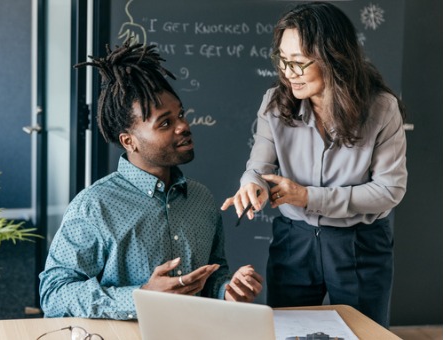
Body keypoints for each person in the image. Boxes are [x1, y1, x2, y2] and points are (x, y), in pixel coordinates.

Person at [39, 41, 263, 320]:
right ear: (129, 141)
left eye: (180, 114)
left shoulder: (201, 199)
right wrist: (141, 297)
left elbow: (212, 274)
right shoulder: (94, 206)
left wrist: (227, 290)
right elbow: (54, 294)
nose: (183, 126)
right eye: (165, 123)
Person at [220, 2, 406, 328]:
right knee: (288, 331)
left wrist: (308, 197)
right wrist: (251, 184)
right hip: (294, 242)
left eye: (299, 63)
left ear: (334, 58)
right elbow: (259, 166)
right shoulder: (274, 104)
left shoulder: (382, 107)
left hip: (359, 244)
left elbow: (389, 191)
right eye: (282, 60)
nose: (288, 73)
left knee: (364, 334)